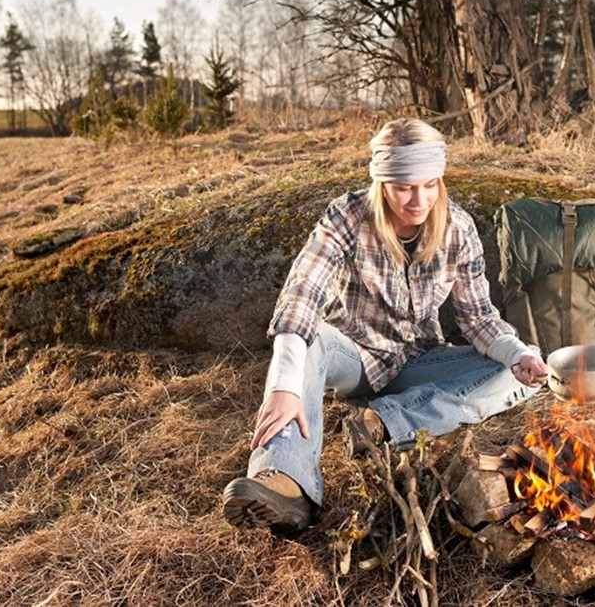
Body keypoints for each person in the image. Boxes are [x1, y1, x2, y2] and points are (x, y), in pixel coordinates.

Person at [222, 118, 548, 534]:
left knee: (516, 374)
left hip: (419, 360)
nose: (419, 199)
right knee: (313, 339)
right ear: (382, 182)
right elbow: (302, 297)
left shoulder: (458, 228)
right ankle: (286, 480)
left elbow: (478, 318)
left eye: (430, 184)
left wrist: (518, 355)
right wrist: (284, 385)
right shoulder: (346, 218)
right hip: (355, 358)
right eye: (405, 187)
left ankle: (382, 422)